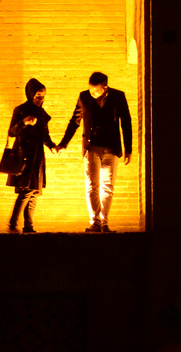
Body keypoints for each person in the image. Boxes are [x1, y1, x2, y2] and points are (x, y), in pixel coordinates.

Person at [56, 71, 132, 233]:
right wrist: (63, 144)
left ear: (105, 88)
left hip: (111, 147)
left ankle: (104, 221)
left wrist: (128, 148)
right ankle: (95, 221)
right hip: (91, 147)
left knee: (107, 186)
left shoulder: (118, 96)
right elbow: (74, 121)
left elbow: (126, 122)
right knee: (92, 185)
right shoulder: (84, 97)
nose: (92, 94)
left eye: (95, 91)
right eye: (90, 90)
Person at [6, 78, 58, 233]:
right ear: (30, 95)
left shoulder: (42, 114)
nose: (40, 100)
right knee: (26, 190)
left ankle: (29, 226)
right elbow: (11, 132)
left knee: (34, 191)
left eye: (43, 96)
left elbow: (45, 136)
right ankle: (13, 223)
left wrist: (51, 146)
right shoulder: (20, 110)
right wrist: (24, 122)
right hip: (25, 155)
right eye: (37, 96)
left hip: (38, 157)